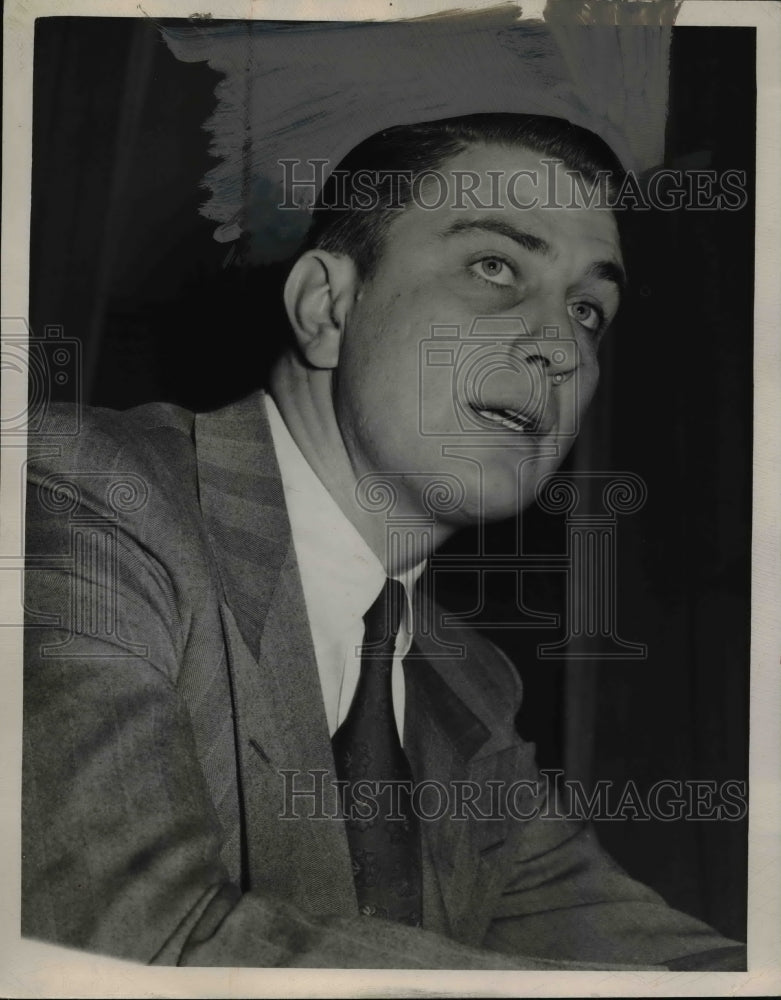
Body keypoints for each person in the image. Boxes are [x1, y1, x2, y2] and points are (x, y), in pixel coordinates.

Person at [22, 114, 745, 969]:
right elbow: (118, 942)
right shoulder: (84, 493)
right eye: (493, 266)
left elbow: (644, 956)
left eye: (588, 309)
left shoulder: (466, 681)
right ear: (326, 306)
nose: (559, 347)